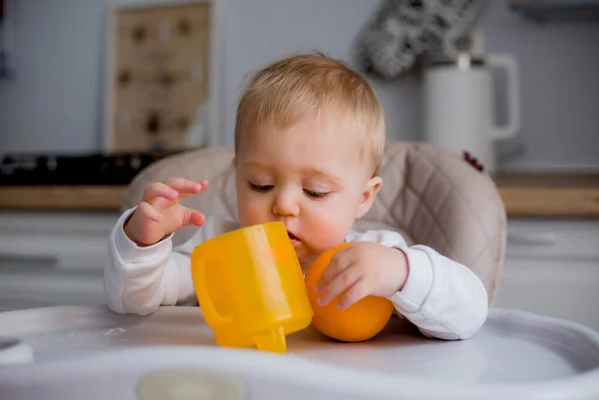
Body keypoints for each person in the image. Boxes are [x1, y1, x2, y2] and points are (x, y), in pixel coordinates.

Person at [104, 53, 488, 340]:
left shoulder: (374, 258)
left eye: (315, 191)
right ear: (236, 176)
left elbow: (471, 313)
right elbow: (132, 304)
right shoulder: (221, 249)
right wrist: (143, 242)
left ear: (364, 197)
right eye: (260, 185)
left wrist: (403, 273)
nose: (284, 205)